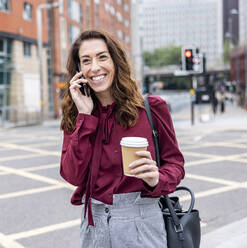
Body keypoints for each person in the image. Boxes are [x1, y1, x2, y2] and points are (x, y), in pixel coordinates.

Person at [59, 29, 184, 248]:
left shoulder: (151, 108)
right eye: (86, 61)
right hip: (94, 225)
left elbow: (175, 164)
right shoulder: (78, 114)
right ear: (79, 70)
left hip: (142, 222)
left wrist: (157, 179)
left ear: (116, 61)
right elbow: (72, 175)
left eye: (102, 57)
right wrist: (85, 117)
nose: (95, 67)